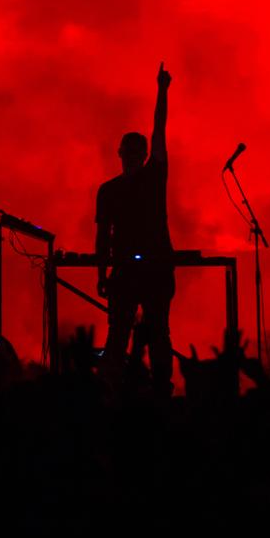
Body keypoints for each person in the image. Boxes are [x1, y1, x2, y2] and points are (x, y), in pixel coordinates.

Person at [95, 64, 175, 395]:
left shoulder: (146, 178)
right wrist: (103, 273)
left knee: (148, 332)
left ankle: (140, 390)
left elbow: (159, 129)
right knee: (133, 333)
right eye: (129, 154)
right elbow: (102, 236)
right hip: (136, 269)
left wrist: (161, 91)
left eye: (134, 154)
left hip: (147, 269)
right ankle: (132, 390)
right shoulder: (112, 190)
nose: (131, 158)